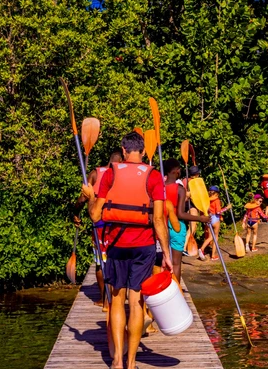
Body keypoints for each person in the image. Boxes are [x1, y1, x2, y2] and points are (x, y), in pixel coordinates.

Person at [82, 132, 172, 369]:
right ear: (143, 151)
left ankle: (117, 360)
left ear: (123, 150)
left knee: (117, 300)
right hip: (143, 247)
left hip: (117, 246)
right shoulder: (154, 177)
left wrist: (90, 197)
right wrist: (167, 255)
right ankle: (131, 363)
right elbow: (159, 220)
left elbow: (95, 215)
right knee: (137, 303)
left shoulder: (111, 173)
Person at [74, 151, 123, 311]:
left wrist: (75, 212)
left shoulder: (95, 174)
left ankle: (104, 300)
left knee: (100, 263)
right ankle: (116, 297)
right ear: (121, 161)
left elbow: (82, 198)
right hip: (116, 225)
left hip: (99, 224)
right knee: (115, 261)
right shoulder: (122, 176)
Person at [163, 159, 209, 282]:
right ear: (177, 171)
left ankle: (164, 288)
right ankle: (176, 289)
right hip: (177, 227)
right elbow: (180, 213)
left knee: (162, 261)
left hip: (161, 226)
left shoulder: (159, 187)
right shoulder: (180, 189)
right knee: (176, 263)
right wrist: (200, 218)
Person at [198, 186, 231, 261]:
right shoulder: (217, 201)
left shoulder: (206, 200)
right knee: (215, 237)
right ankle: (213, 255)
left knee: (210, 237)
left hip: (208, 218)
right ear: (217, 193)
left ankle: (202, 248)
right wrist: (227, 208)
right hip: (215, 219)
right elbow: (218, 212)